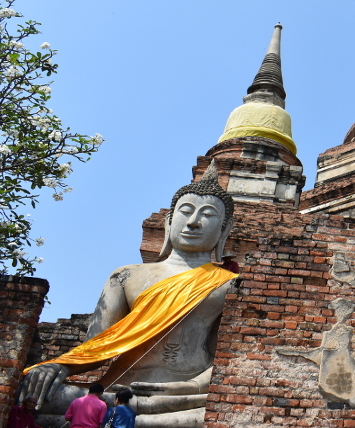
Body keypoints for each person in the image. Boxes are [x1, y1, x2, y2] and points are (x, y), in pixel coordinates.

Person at [17, 162, 239, 427]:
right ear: (169, 221)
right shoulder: (126, 275)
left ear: (224, 230)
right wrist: (60, 366)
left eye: (208, 215)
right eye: (186, 211)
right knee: (30, 392)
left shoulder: (230, 285)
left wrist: (187, 387)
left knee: (221, 415)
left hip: (187, 396)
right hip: (117, 389)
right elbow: (96, 346)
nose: (193, 222)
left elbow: (226, 358)